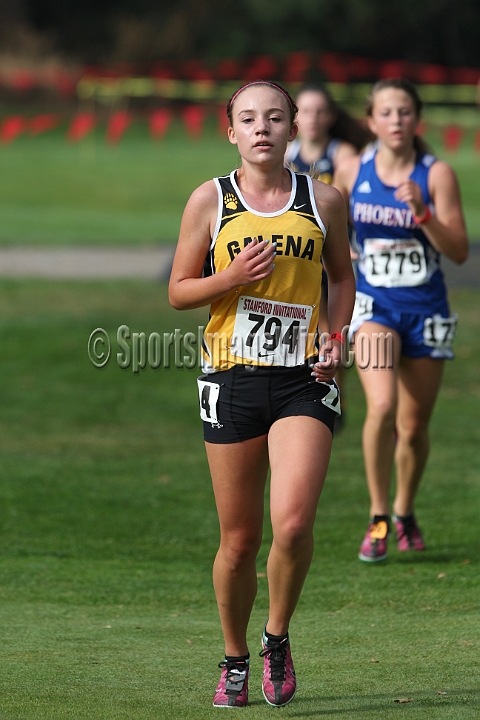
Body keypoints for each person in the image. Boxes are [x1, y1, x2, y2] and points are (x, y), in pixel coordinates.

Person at [169, 80, 355, 707]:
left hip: (305, 376)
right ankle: (235, 657)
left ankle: (276, 637)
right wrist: (230, 277)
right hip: (231, 377)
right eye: (248, 118)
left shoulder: (324, 199)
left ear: (294, 126)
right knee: (239, 540)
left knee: (295, 523)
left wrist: (337, 336)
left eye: (274, 117)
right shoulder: (209, 200)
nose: (261, 128)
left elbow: (343, 278)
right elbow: (178, 290)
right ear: (231, 131)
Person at [333, 78, 468, 562]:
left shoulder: (437, 174)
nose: (396, 120)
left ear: (417, 120)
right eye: (386, 113)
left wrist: (423, 213)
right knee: (382, 407)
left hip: (426, 310)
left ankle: (405, 510)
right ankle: (378, 517)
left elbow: (458, 251)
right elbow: (325, 222)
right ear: (371, 121)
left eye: (405, 112)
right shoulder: (351, 169)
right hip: (374, 307)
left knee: (412, 428)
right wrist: (341, 250)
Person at [286, 84, 371, 430]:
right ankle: (315, 394)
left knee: (336, 332)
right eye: (305, 111)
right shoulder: (287, 154)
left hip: (338, 253)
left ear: (331, 116)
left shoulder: (342, 153)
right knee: (313, 330)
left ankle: (336, 396)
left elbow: (352, 207)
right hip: (305, 254)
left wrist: (348, 245)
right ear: (295, 119)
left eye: (320, 111)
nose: (313, 118)